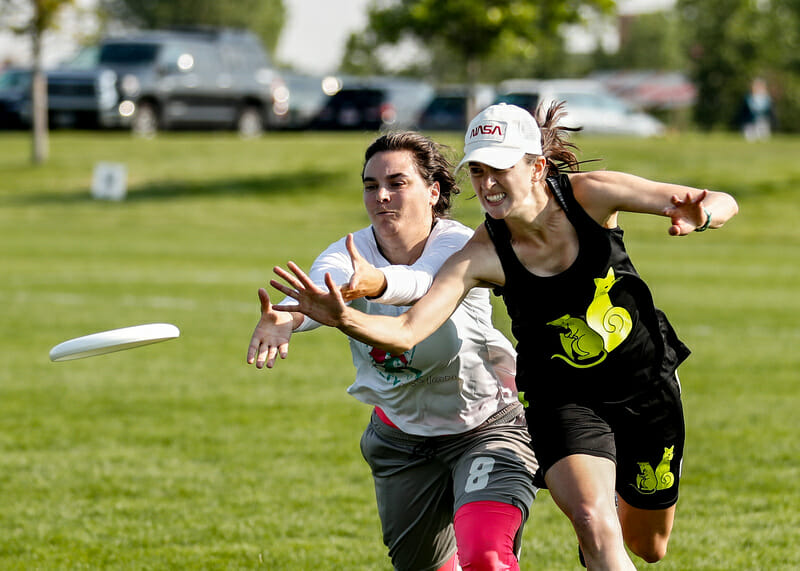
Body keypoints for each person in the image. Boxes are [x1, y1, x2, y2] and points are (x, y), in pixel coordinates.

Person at [270, 103, 739, 570]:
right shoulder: (481, 253)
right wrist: (343, 318)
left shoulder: (591, 196)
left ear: (536, 167)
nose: (486, 183)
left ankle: (609, 521)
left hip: (645, 383)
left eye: (499, 168)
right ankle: (598, 531)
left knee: (648, 546)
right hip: (562, 398)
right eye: (477, 170)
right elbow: (407, 330)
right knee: (593, 521)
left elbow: (720, 200)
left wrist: (703, 214)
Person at [247, 131, 539, 571]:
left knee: (485, 558)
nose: (381, 196)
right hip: (401, 439)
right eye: (370, 185)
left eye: (397, 183)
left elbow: (423, 284)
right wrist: (289, 319)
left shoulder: (462, 244)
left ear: (433, 191)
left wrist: (377, 284)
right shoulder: (350, 251)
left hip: (485, 427)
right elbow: (325, 286)